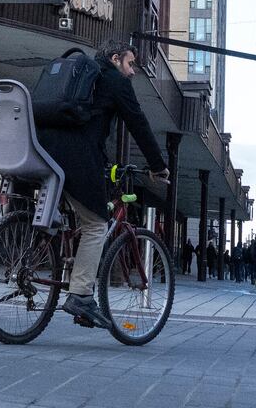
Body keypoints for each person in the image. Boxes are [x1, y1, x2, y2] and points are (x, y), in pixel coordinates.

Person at [34, 37, 170, 330]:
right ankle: (81, 294)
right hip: (76, 156)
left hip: (42, 148)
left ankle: (52, 259)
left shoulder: (80, 76)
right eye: (130, 64)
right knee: (96, 224)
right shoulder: (114, 81)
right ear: (115, 59)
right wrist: (158, 166)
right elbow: (138, 122)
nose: (133, 71)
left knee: (76, 217)